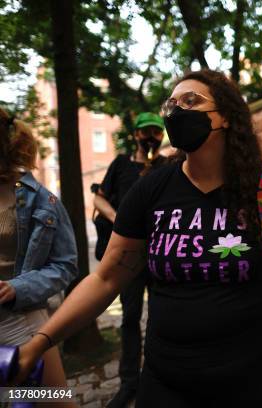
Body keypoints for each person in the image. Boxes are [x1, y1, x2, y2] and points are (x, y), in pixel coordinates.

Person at [13, 69, 262, 407]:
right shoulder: (152, 189)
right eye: (171, 104)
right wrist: (41, 341)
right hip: (169, 381)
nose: (177, 111)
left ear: (226, 116)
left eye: (191, 101)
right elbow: (106, 278)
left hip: (258, 378)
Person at [0, 107, 78, 408]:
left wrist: (17, 288)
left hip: (19, 325)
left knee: (50, 403)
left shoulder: (38, 198)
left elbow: (66, 264)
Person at [93, 112, 167, 408]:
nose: (150, 138)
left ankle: (158, 379)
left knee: (162, 317)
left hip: (162, 253)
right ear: (136, 135)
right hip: (129, 257)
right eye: (145, 132)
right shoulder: (121, 164)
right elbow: (98, 198)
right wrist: (120, 220)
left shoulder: (168, 165)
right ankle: (128, 384)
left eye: (156, 132)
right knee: (130, 319)